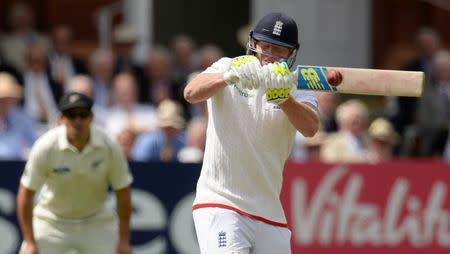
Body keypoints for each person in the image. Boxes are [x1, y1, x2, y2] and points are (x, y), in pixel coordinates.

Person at [184, 12, 325, 253]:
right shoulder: (228, 66)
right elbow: (191, 93)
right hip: (221, 202)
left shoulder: (297, 84)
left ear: (291, 53)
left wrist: (284, 100)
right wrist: (228, 78)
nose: (269, 56)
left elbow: (311, 127)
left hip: (269, 210)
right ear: (254, 43)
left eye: (279, 49)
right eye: (265, 46)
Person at [16, 92, 133, 254]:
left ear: (91, 117)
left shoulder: (109, 146)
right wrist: (29, 241)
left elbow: (123, 192)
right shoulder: (46, 146)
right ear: (61, 119)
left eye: (83, 115)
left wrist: (124, 241)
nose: (77, 121)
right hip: (52, 221)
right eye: (71, 115)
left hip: (96, 221)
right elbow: (25, 194)